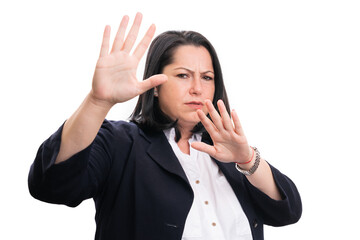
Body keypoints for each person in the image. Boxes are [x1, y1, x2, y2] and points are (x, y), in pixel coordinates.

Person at [28, 13, 302, 240]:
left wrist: (247, 158)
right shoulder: (121, 142)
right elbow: (51, 185)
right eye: (183, 75)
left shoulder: (228, 151)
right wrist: (97, 102)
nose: (197, 88)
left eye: (207, 77)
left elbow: (288, 211)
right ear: (156, 85)